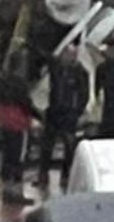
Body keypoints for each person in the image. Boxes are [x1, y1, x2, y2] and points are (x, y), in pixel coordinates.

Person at [38, 44, 91, 191]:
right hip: (54, 111)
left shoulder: (80, 72)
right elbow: (46, 57)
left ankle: (66, 175)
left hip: (69, 113)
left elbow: (84, 94)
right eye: (66, 54)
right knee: (47, 144)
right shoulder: (56, 67)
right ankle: (43, 174)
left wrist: (78, 111)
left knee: (69, 146)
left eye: (71, 55)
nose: (67, 58)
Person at [0, 52, 41, 206]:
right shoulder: (20, 83)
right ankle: (17, 192)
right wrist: (37, 117)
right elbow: (26, 103)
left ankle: (7, 190)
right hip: (19, 122)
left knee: (7, 156)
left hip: (5, 122)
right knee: (20, 157)